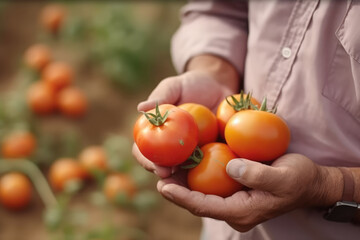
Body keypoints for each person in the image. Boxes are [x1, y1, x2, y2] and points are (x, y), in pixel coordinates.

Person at [133, 1, 360, 239]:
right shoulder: (227, 126)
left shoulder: (230, 129)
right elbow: (221, 11)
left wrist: (330, 185)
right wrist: (215, 71)